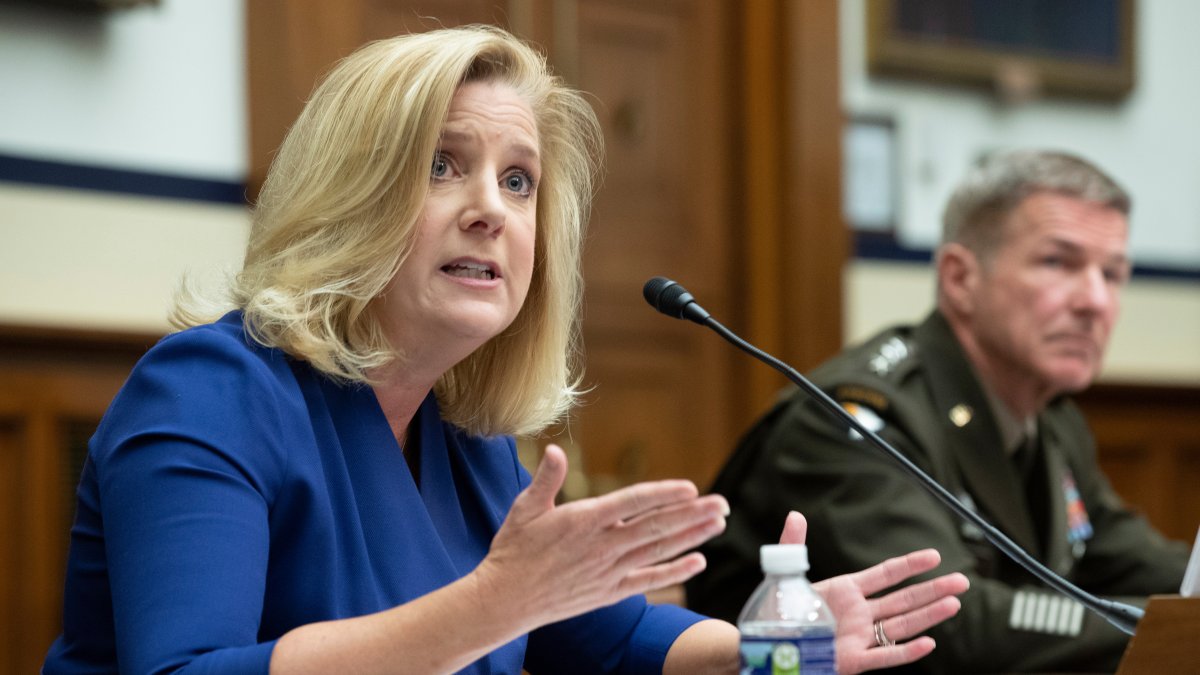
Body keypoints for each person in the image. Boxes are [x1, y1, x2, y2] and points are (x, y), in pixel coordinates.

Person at [42, 25, 968, 675]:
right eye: (443, 164)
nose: (491, 207)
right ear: (349, 195)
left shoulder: (461, 430)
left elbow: (598, 640)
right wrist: (495, 604)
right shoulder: (210, 391)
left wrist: (777, 648)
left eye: (518, 180)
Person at [686, 150, 1191, 673]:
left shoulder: (1052, 417)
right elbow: (947, 622)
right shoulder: (852, 420)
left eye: (1113, 274)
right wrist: (1169, 629)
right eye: (1058, 263)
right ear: (959, 279)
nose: (1095, 301)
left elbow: (1128, 555)